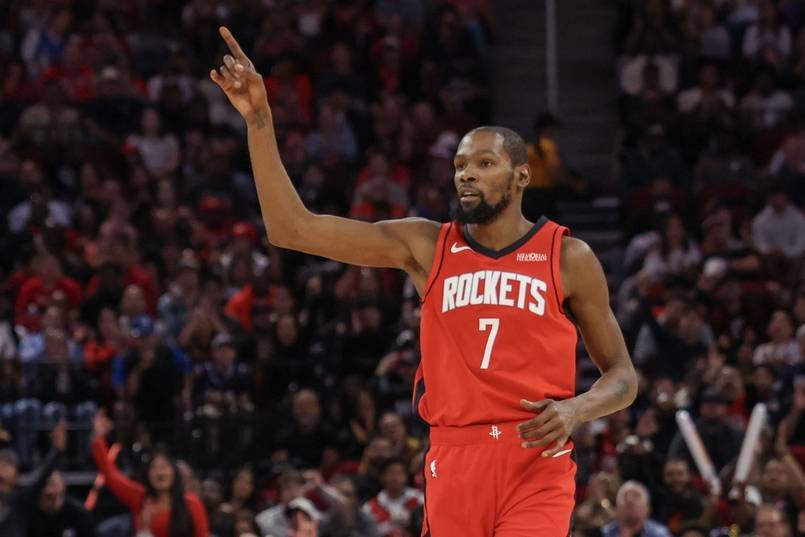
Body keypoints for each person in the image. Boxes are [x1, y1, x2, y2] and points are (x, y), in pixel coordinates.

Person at [210, 27, 638, 536]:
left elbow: (623, 378)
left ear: (522, 176)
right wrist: (259, 120)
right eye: (460, 165)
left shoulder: (567, 256)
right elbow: (292, 229)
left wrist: (576, 409)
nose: (466, 174)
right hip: (453, 458)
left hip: (536, 458)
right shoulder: (427, 245)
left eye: (484, 163)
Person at [90, 410, 209, 537]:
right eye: (154, 467)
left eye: (164, 466)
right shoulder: (140, 498)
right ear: (148, 474)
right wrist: (98, 438)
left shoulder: (192, 504)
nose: (159, 472)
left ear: (174, 472)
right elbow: (111, 475)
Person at [0, 421, 66, 537]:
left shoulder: (21, 498)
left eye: (6, 465)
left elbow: (41, 480)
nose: (1, 468)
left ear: (16, 472)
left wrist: (56, 451)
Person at [28, 470, 97, 537]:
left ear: (62, 487)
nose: (47, 491)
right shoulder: (30, 516)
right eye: (42, 485)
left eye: (52, 485)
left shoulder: (78, 514)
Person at [602, 481, 673, 537]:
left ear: (648, 508)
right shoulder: (605, 532)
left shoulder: (660, 534)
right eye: (625, 496)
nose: (629, 499)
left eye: (636, 495)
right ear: (617, 507)